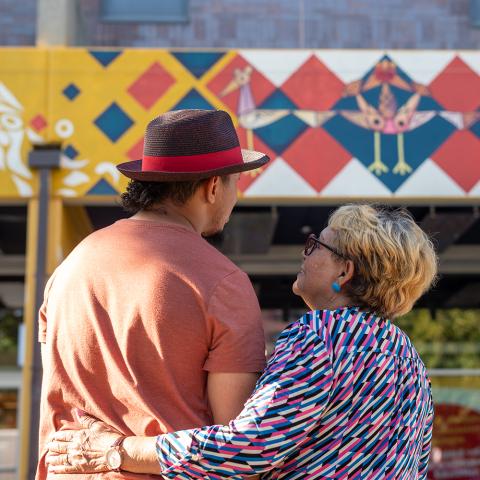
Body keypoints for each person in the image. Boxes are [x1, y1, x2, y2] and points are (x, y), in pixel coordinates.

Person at [47, 204, 438, 478]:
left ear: (345, 271)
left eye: (317, 245)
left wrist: (118, 451)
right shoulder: (412, 363)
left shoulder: (322, 336)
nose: (307, 253)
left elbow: (248, 448)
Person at [36, 109, 270, 479]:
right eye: (234, 183)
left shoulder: (69, 269)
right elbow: (235, 450)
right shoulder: (223, 283)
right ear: (212, 187)